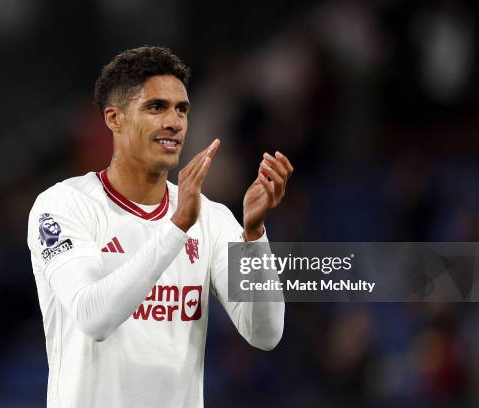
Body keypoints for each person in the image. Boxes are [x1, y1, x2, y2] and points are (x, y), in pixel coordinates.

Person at [27, 46, 292, 408]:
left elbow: (266, 332)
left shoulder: (211, 218)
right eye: (156, 107)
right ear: (114, 119)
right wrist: (176, 227)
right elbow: (93, 317)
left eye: (181, 109)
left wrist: (255, 237)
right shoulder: (64, 206)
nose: (175, 122)